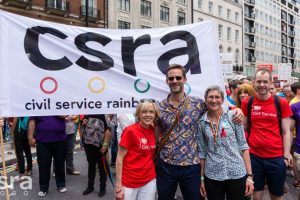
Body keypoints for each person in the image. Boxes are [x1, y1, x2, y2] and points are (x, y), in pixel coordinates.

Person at [155, 64, 244, 200]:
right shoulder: (159, 107)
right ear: (166, 81)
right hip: (167, 165)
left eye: (178, 77)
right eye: (171, 78)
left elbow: (219, 108)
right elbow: (157, 134)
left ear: (185, 79)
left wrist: (237, 110)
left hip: (192, 166)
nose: (174, 81)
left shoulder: (198, 104)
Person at [241, 68, 293, 200]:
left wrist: (286, 155)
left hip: (276, 157)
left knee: (276, 195)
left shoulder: (280, 103)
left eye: (265, 81)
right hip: (254, 157)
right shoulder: (248, 102)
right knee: (256, 195)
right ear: (254, 82)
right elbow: (243, 129)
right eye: (259, 81)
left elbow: (287, 131)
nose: (262, 84)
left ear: (271, 83)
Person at [199, 86, 254, 200]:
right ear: (206, 100)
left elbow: (244, 147)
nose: (214, 100)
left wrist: (249, 176)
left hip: (236, 173)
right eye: (211, 97)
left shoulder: (234, 117)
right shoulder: (202, 122)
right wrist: (202, 180)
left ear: (222, 100)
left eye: (217, 97)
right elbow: (202, 153)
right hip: (213, 175)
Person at [115, 100, 159, 200]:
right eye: (144, 112)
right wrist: (118, 185)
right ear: (138, 114)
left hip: (149, 179)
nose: (148, 115)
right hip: (129, 180)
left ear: (155, 114)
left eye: (151, 112)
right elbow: (119, 158)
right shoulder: (130, 131)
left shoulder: (154, 130)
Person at [28, 116, 67, 197]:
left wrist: (53, 108)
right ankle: (43, 188)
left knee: (60, 163)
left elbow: (64, 115)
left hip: (60, 139)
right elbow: (32, 121)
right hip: (43, 140)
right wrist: (30, 137)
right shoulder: (39, 104)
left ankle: (61, 184)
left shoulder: (59, 103)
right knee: (43, 165)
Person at [82, 114, 111, 197]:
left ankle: (103, 187)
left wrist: (105, 145)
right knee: (91, 165)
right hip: (88, 143)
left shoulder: (104, 113)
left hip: (100, 144)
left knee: (102, 167)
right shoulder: (87, 111)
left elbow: (108, 131)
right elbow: (84, 125)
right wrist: (84, 122)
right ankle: (90, 186)